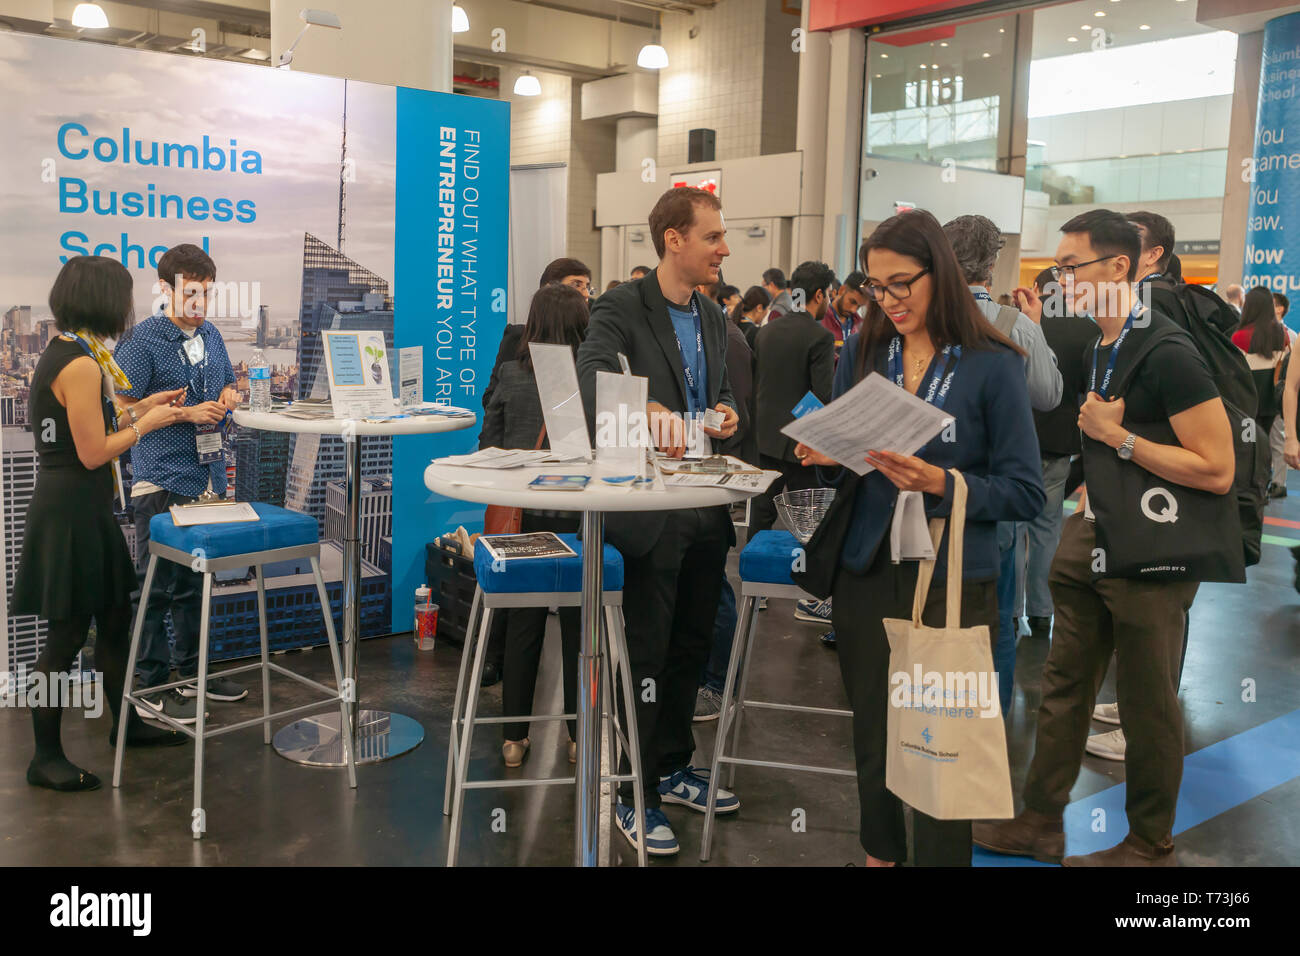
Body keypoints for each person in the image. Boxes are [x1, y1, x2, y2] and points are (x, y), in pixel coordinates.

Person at [974, 210, 1234, 866]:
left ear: (1118, 268)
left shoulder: (1167, 350)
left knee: (1148, 702)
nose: (1060, 279)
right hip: (1094, 538)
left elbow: (1218, 468)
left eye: (1071, 266)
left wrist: (1119, 436)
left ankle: (1150, 842)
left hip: (1155, 552)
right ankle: (1040, 820)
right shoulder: (1100, 343)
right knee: (1065, 684)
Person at [793, 209, 1044, 866]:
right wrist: (832, 450)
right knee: (873, 731)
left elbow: (1025, 491)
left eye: (902, 283)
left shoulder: (995, 364)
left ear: (944, 274)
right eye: (878, 286)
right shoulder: (866, 351)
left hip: (954, 577)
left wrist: (942, 480)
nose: (889, 300)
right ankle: (880, 853)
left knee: (942, 743)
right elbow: (854, 439)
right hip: (868, 565)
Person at [577, 186, 741, 857]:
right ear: (674, 238)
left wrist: (728, 415)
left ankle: (673, 767)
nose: (724, 248)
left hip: (705, 501)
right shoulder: (621, 306)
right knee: (644, 651)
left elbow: (720, 393)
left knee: (690, 646)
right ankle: (632, 791)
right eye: (712, 237)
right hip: (647, 510)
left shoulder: (710, 314)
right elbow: (590, 378)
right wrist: (647, 414)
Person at [12, 256, 190, 791]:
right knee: (64, 639)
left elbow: (94, 425)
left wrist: (146, 407)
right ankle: (44, 757)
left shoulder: (69, 354)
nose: (128, 308)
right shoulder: (84, 364)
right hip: (73, 513)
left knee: (114, 621)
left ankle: (126, 724)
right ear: (103, 301)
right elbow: (94, 452)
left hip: (77, 508)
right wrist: (150, 424)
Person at [114, 244, 241, 722]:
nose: (199, 302)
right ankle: (148, 686)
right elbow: (124, 409)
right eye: (191, 292)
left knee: (192, 587)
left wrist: (228, 395)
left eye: (206, 293)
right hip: (160, 477)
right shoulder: (142, 340)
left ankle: (191, 680)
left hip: (205, 478)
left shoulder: (211, 336)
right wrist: (185, 413)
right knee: (155, 586)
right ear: (166, 289)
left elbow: (230, 385)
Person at [944, 214, 1061, 716]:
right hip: (996, 487)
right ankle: (990, 717)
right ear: (992, 265)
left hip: (927, 482)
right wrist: (1034, 327)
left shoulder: (923, 316)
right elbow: (1049, 395)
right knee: (997, 612)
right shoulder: (1016, 326)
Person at [480, 283, 590, 767]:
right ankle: (575, 735)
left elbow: (490, 445)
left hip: (523, 515)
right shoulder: (590, 378)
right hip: (577, 515)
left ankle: (513, 740)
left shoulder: (510, 373)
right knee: (577, 630)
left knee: (523, 624)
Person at [1015, 268, 1097, 643]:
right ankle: (1043, 612)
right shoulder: (1088, 331)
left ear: (1037, 289)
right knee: (1048, 529)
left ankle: (1012, 610)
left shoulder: (1020, 324)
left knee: (1013, 530)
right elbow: (1086, 390)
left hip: (1017, 440)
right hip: (1060, 443)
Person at [750, 260, 836, 543]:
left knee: (761, 513)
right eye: (830, 294)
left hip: (764, 438)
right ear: (820, 295)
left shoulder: (766, 331)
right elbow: (821, 395)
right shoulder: (820, 337)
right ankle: (805, 577)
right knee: (808, 520)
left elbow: (758, 382)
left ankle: (753, 578)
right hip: (801, 444)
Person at [1234, 288, 1289, 500]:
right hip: (1273, 402)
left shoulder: (1239, 337)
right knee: (1273, 444)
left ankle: (1252, 488)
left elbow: (1236, 373)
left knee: (1249, 447)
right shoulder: (1282, 335)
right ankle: (1272, 485)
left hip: (1248, 403)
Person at [821, 270, 868, 354]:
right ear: (842, 290)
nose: (854, 310)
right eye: (852, 302)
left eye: (859, 306)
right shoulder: (820, 319)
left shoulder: (860, 326)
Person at [733, 285, 770, 351]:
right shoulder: (756, 333)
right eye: (768, 309)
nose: (767, 313)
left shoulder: (733, 323)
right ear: (759, 308)